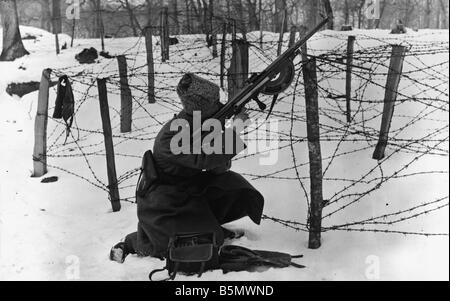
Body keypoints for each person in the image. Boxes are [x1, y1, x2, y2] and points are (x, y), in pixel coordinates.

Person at [110, 73, 264, 263]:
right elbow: (204, 160)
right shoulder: (173, 135)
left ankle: (207, 223)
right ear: (203, 108)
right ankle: (131, 243)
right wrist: (234, 130)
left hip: (186, 192)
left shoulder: (200, 123)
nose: (220, 107)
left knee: (232, 186)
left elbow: (218, 168)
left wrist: (221, 133)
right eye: (215, 103)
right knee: (175, 245)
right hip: (163, 203)